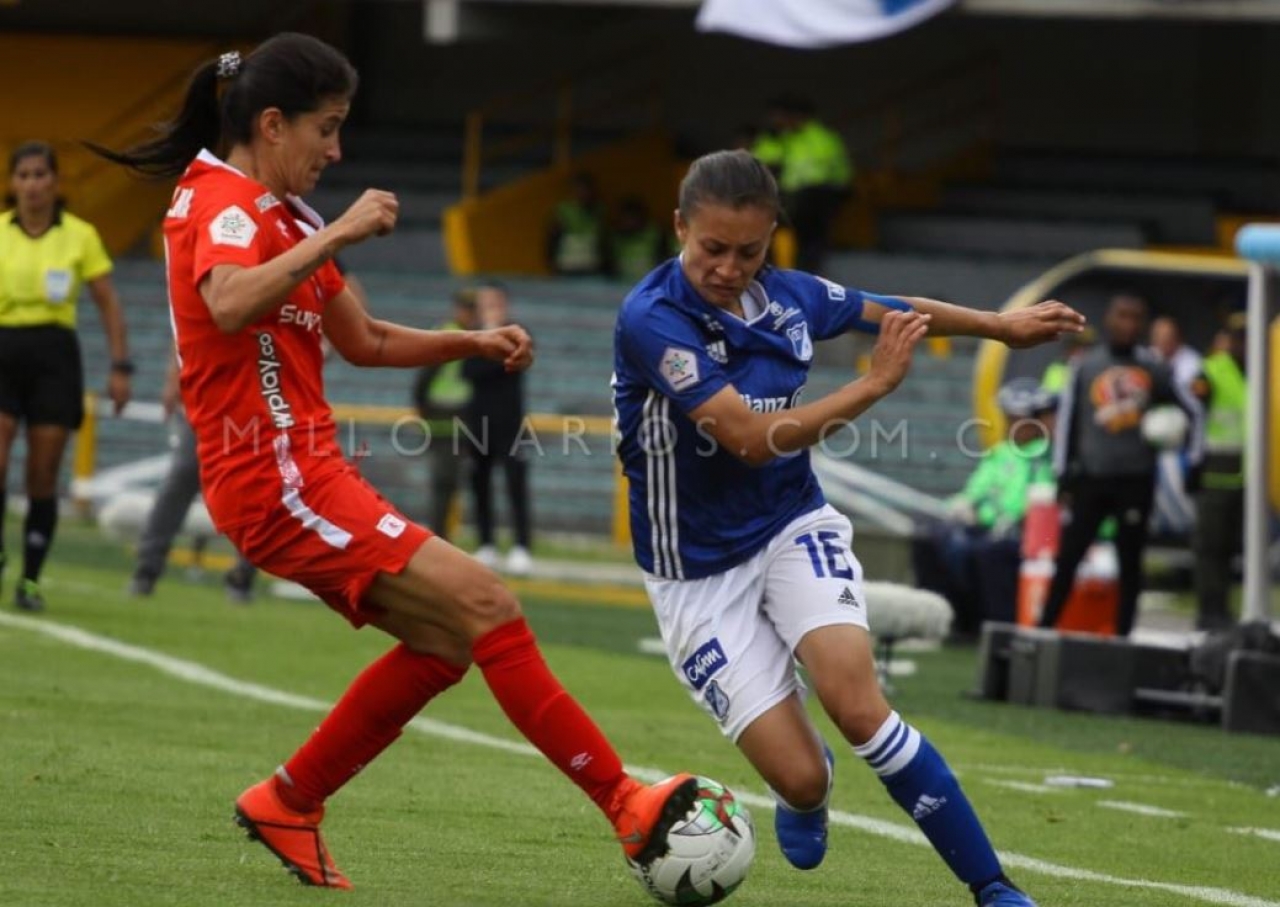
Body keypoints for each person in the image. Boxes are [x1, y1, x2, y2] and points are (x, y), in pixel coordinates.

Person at [93, 33, 698, 891]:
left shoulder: (286, 216)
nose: (335, 151)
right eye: (327, 129)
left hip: (305, 473)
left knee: (449, 638)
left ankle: (288, 799)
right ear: (272, 124)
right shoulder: (222, 205)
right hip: (271, 477)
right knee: (489, 602)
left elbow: (366, 339)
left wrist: (471, 339)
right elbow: (226, 301)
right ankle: (625, 804)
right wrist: (336, 231)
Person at [613, 149, 1085, 907]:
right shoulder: (653, 318)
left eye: (750, 250)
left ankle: (992, 887)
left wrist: (999, 326)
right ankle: (807, 793)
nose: (730, 267)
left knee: (861, 706)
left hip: (790, 523)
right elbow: (745, 437)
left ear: (772, 240)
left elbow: (891, 308)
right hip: (694, 572)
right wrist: (875, 383)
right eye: (712, 248)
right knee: (800, 773)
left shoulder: (791, 296)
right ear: (679, 227)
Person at [0, 141, 132, 612]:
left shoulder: (79, 236)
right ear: (13, 185)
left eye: (41, 175)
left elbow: (108, 302)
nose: (33, 184)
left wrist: (120, 366)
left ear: (55, 183)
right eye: (24, 176)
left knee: (42, 474)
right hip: (3, 347)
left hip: (55, 357)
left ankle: (30, 581)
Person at [1039, 293, 1203, 636]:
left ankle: (1122, 637)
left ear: (1143, 325)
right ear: (1109, 320)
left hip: (1135, 480)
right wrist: (1063, 474)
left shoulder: (1154, 367)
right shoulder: (1086, 365)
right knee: (1068, 556)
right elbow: (1069, 421)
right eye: (1122, 316)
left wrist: (1193, 456)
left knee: (1130, 562)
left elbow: (1192, 412)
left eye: (1135, 317)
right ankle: (1043, 629)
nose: (1128, 324)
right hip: (1091, 478)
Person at [912, 378, 1057, 638]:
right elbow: (975, 492)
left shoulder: (1046, 455)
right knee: (927, 538)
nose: (1012, 425)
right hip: (985, 528)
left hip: (1020, 536)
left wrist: (1004, 516)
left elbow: (1036, 500)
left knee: (989, 552)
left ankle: (996, 629)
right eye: (1010, 418)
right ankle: (947, 623)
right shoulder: (1001, 453)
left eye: (1019, 419)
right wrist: (962, 506)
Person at [127, 348, 259, 602]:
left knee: (253, 489)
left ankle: (242, 576)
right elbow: (182, 333)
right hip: (209, 398)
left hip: (259, 401)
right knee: (183, 476)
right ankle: (147, 568)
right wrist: (172, 378)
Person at [463, 281, 534, 575]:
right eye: (484, 301)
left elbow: (511, 366)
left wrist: (490, 350)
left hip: (511, 423)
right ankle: (487, 544)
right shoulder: (471, 337)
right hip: (478, 422)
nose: (489, 307)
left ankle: (521, 546)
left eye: (494, 301)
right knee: (479, 483)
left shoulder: (519, 334)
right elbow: (469, 372)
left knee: (516, 484)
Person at [1191, 313, 1247, 631]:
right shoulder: (1211, 371)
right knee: (1211, 549)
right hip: (1215, 476)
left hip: (1250, 478)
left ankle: (1230, 612)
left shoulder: (1266, 369)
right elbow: (1195, 414)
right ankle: (1209, 613)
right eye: (1237, 337)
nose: (1242, 344)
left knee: (1236, 552)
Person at [753, 95, 852, 273]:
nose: (777, 121)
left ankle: (806, 272)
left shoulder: (821, 138)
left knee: (808, 237)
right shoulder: (782, 138)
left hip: (818, 196)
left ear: (797, 116)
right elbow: (761, 160)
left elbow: (827, 173)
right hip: (793, 197)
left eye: (781, 117)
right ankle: (785, 269)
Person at [412, 287, 477, 540]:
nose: (469, 314)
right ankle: (439, 535)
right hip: (444, 416)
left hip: (459, 416)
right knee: (444, 480)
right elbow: (426, 375)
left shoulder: (465, 334)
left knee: (449, 481)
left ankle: (442, 533)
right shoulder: (451, 335)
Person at [546, 171, 606, 277]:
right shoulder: (564, 210)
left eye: (586, 189)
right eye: (579, 189)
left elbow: (603, 240)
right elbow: (552, 239)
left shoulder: (599, 210)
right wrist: (552, 263)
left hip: (591, 266)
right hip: (567, 266)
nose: (583, 193)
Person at [609, 197, 667, 285]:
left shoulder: (655, 235)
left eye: (632, 218)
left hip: (648, 285)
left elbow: (663, 264)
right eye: (625, 219)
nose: (628, 222)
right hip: (620, 286)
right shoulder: (615, 237)